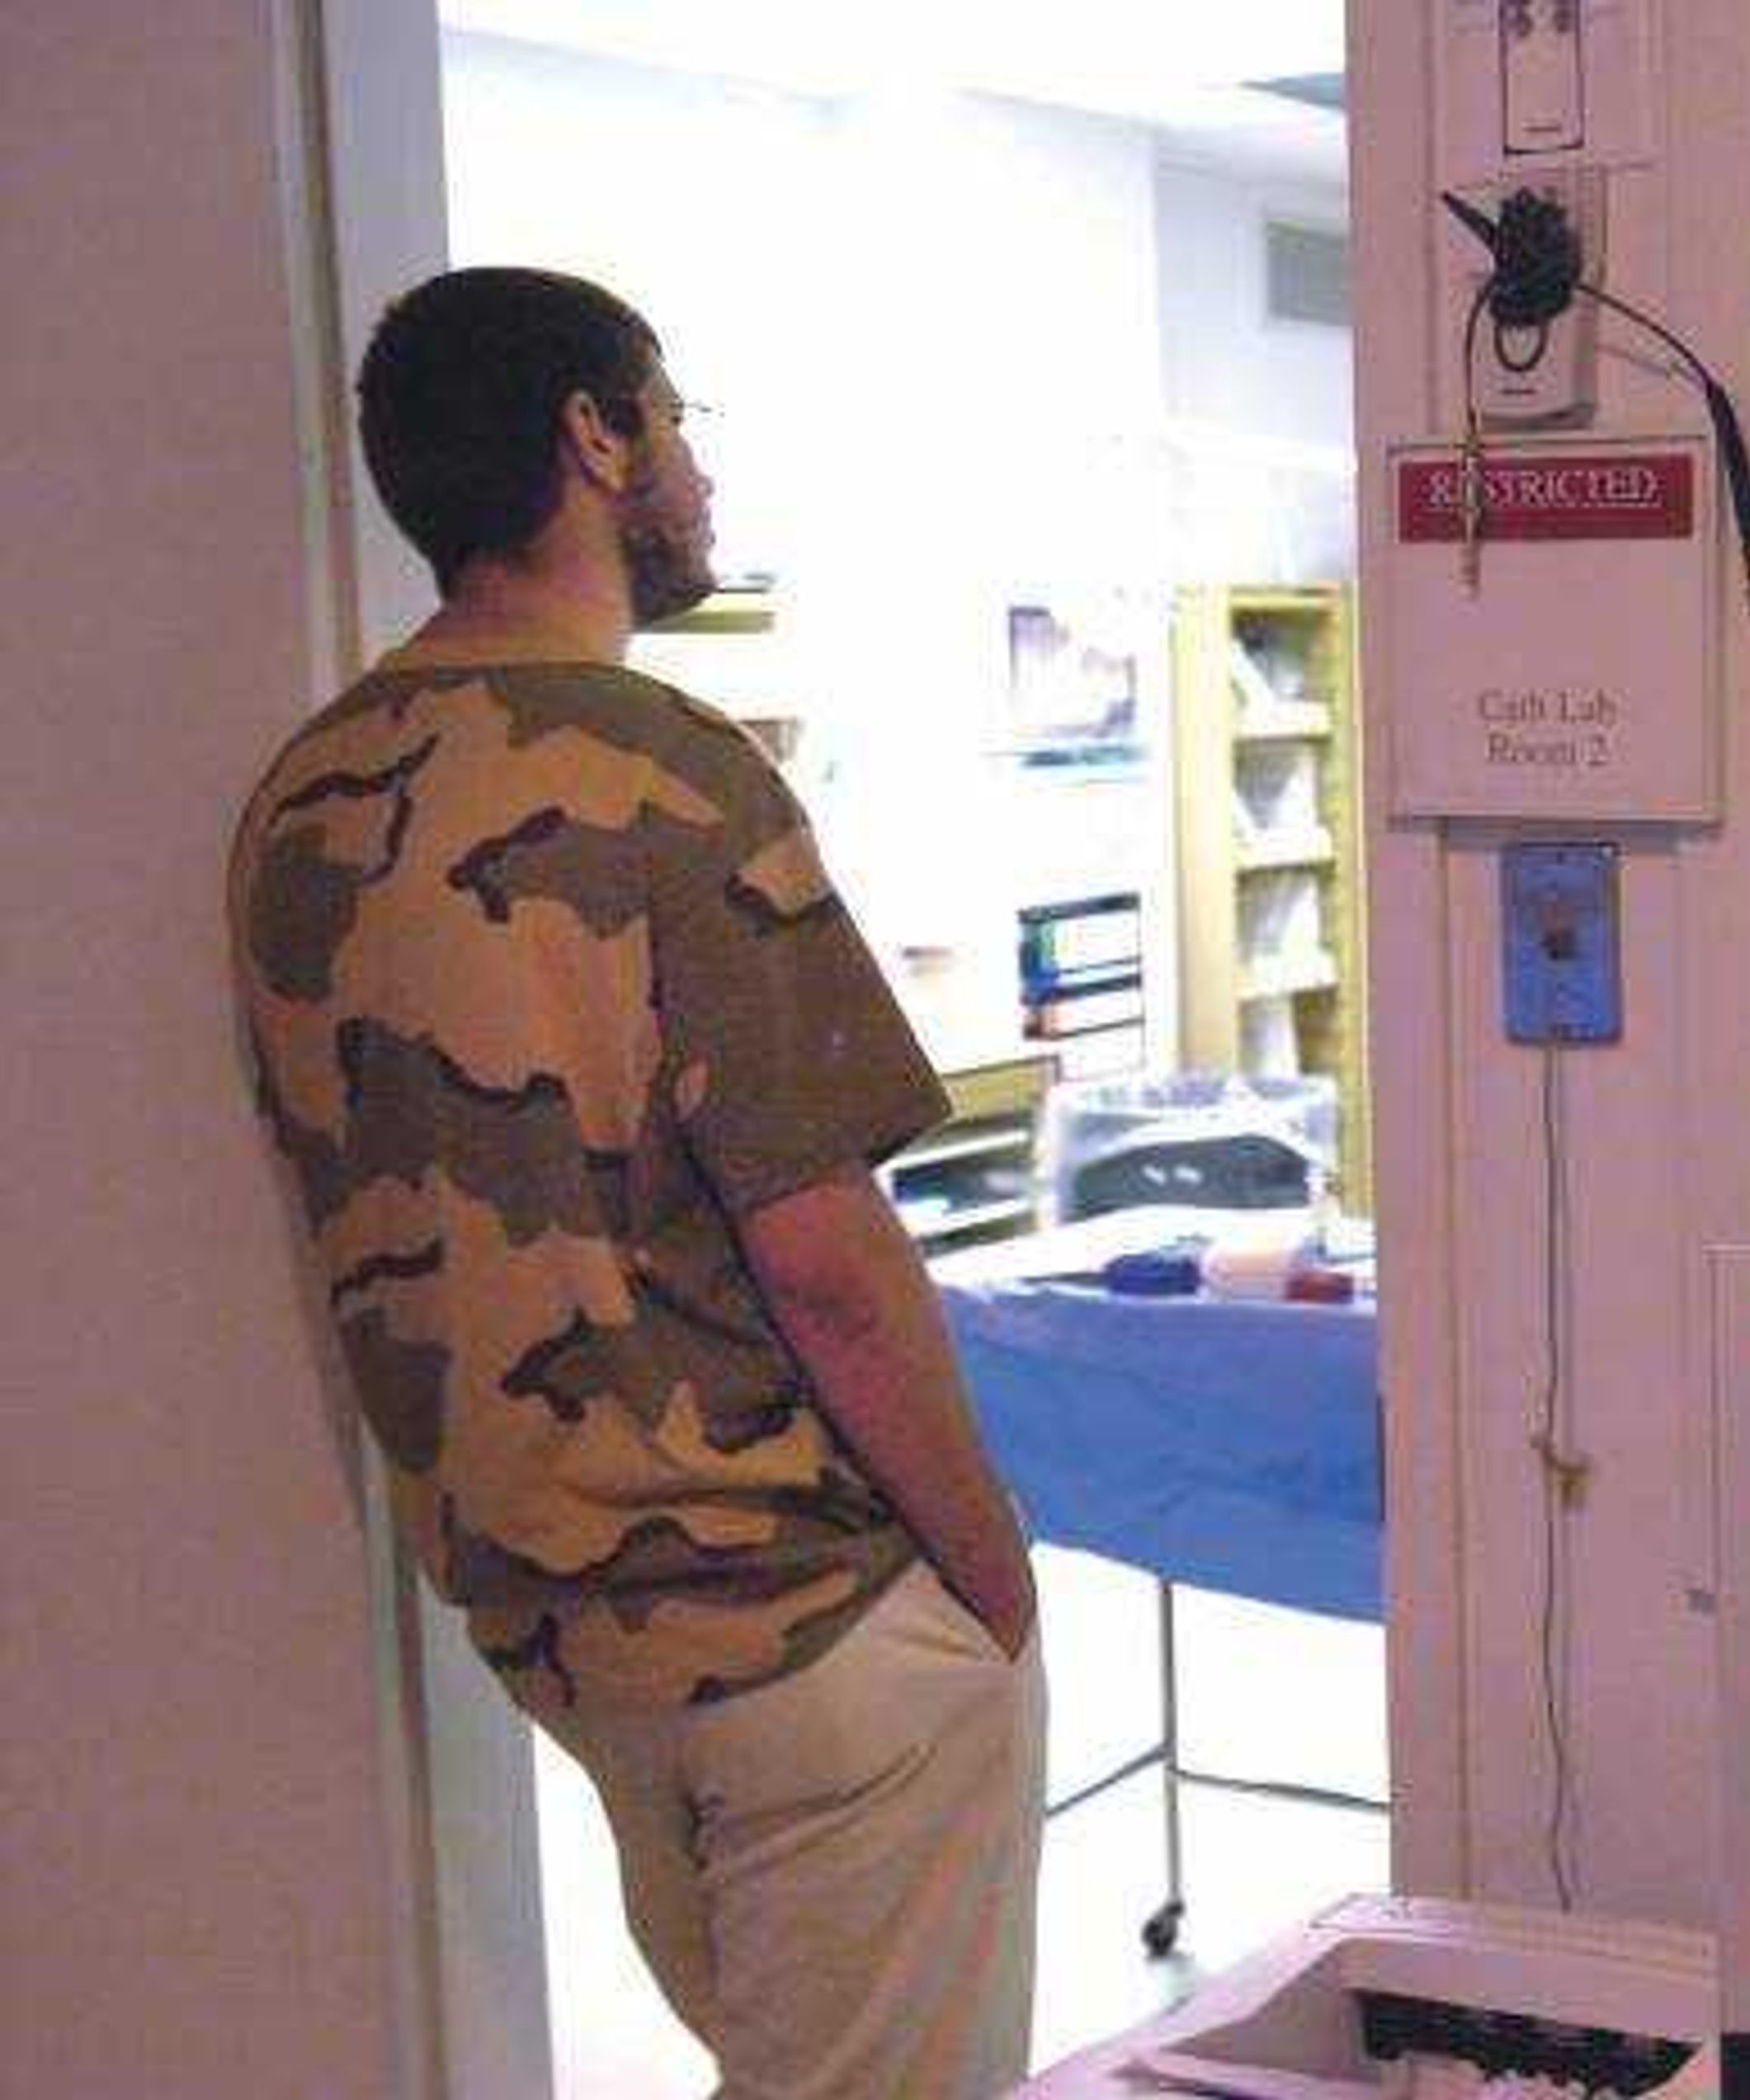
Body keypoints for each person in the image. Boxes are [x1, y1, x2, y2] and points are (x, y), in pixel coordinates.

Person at [228, 269, 1045, 2098]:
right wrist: (991, 1577)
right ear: (594, 439)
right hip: (802, 1621)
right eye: (672, 420)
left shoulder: (303, 795)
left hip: (561, 1638)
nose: (693, 473)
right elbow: (826, 1257)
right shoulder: (670, 774)